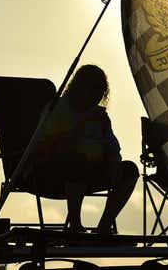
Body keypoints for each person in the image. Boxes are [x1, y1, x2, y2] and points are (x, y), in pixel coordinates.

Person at [32, 64, 138, 234]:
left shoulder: (100, 117)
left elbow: (112, 146)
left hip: (93, 169)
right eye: (94, 89)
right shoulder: (58, 108)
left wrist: (113, 162)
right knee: (78, 161)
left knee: (130, 170)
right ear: (80, 87)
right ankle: (75, 225)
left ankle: (104, 226)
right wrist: (81, 124)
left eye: (101, 91)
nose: (98, 95)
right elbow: (45, 144)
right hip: (55, 170)